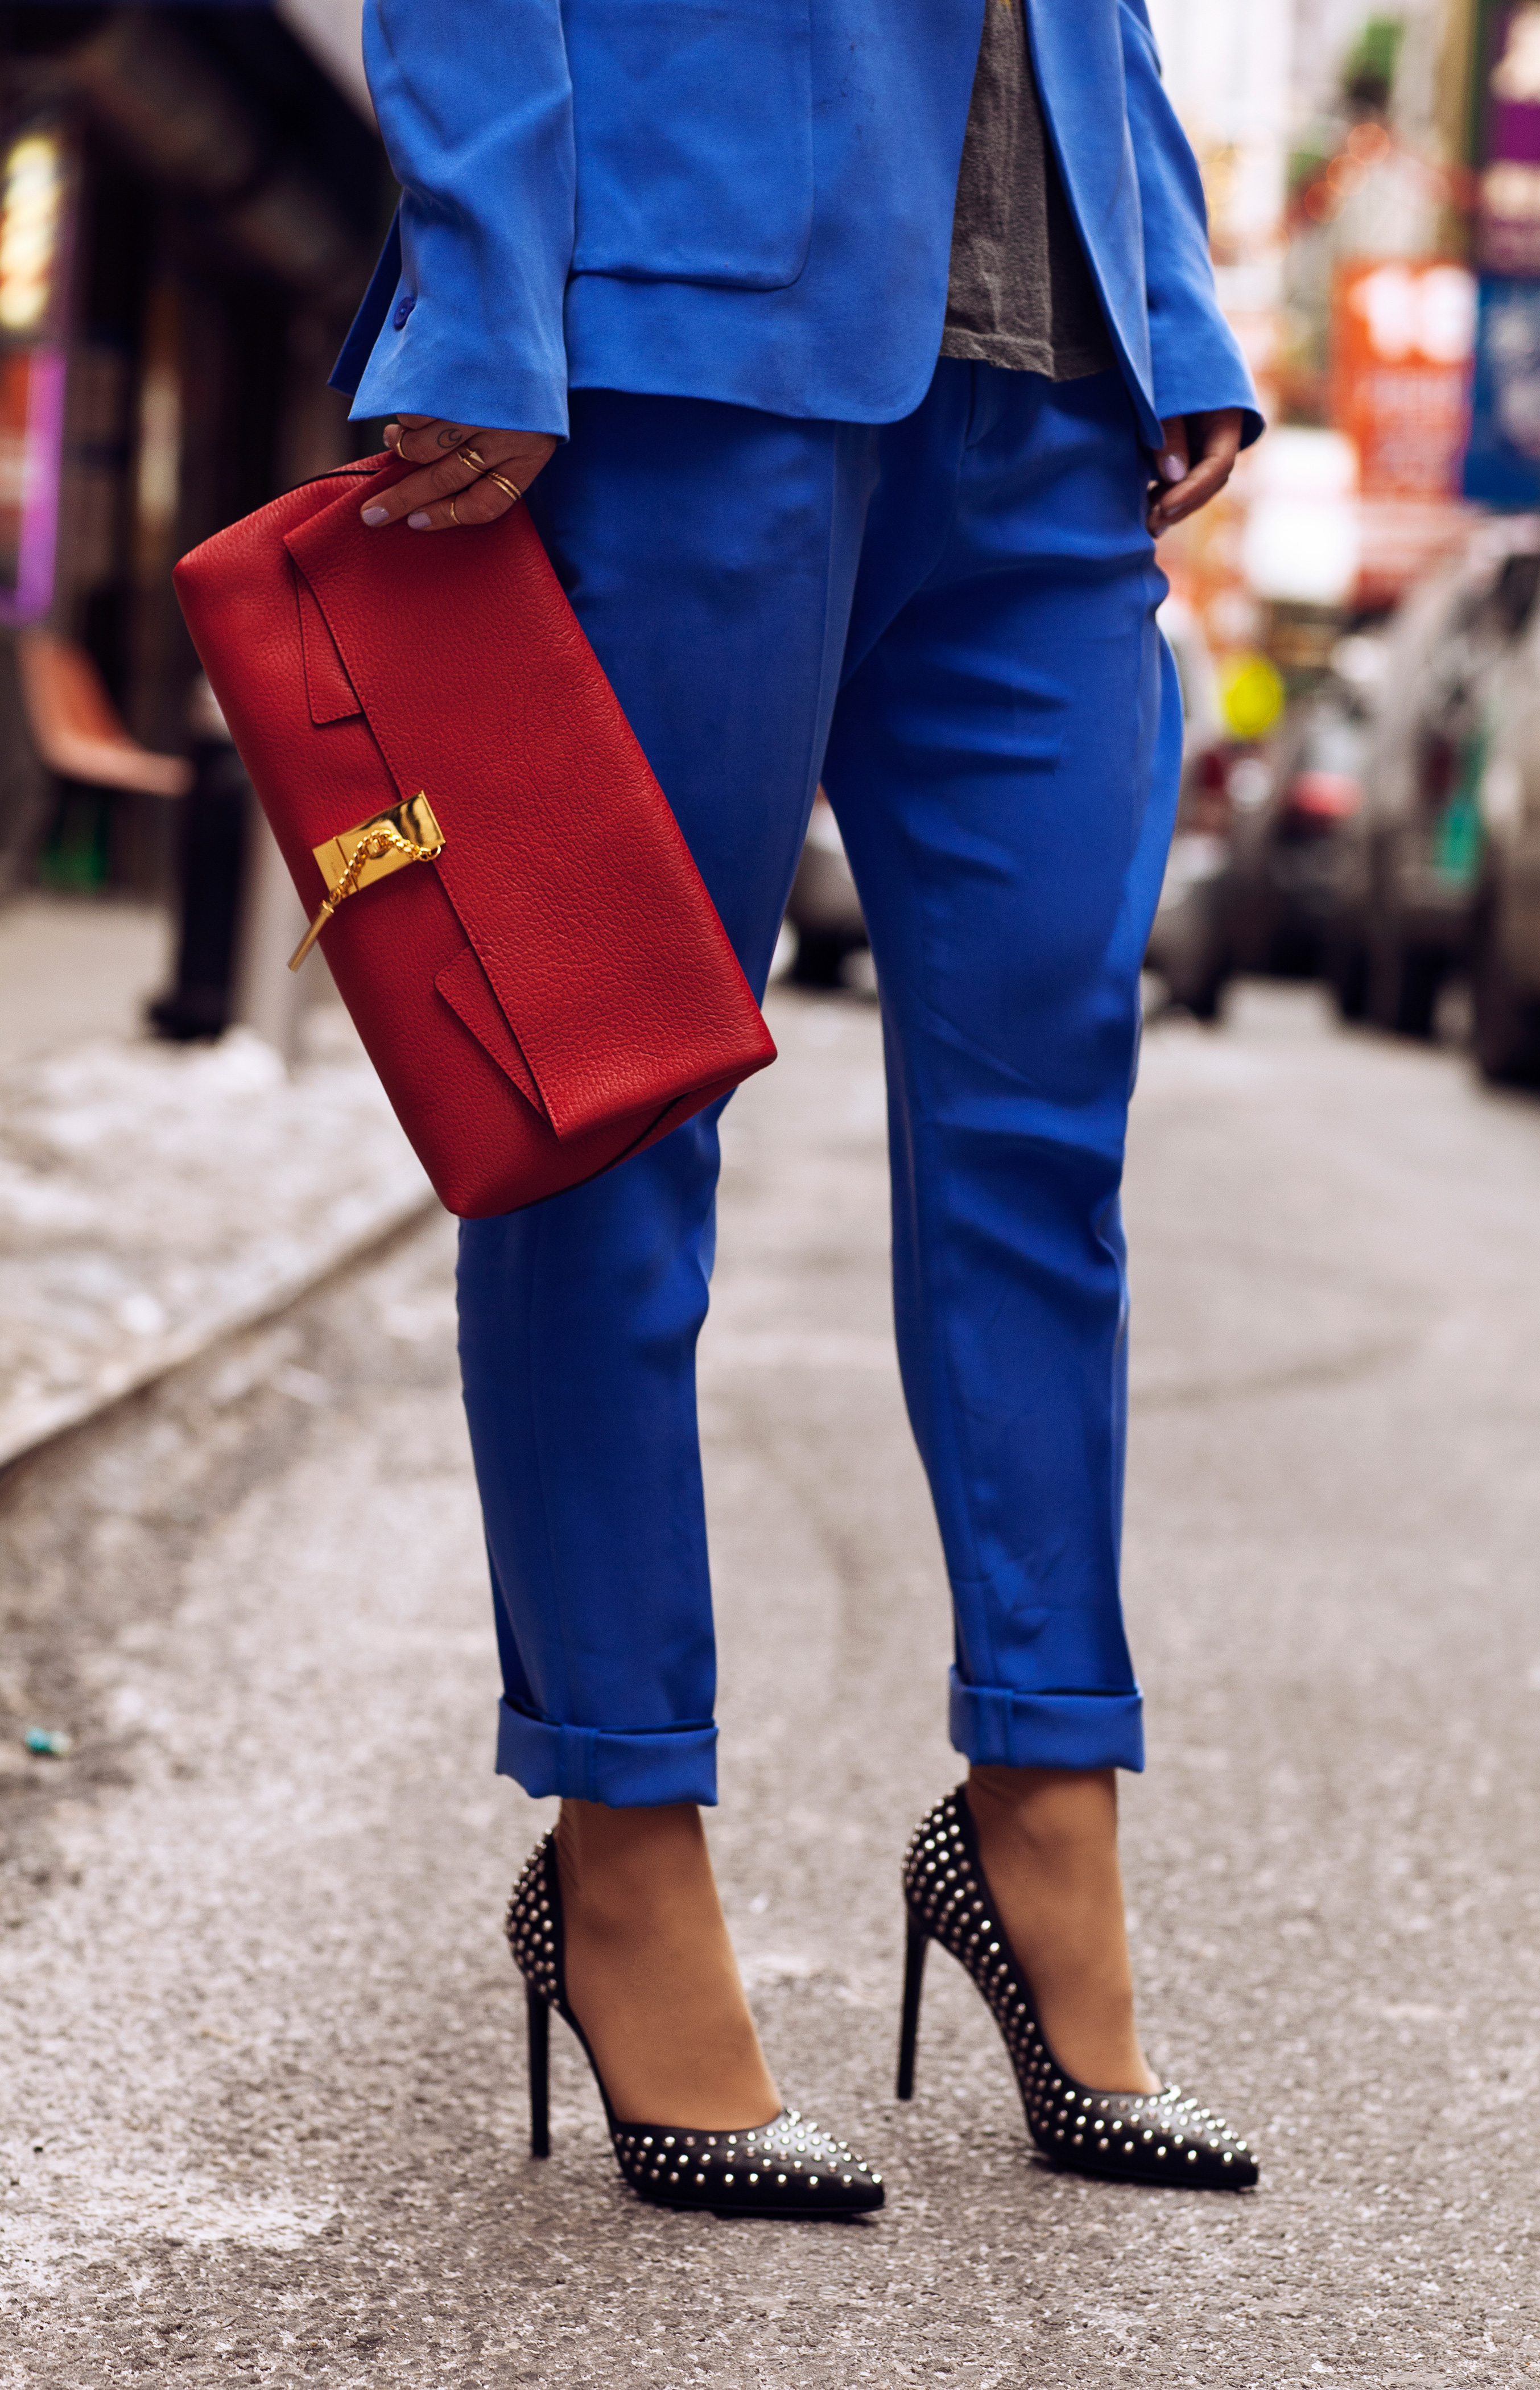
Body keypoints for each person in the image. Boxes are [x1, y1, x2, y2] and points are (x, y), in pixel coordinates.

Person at [335, 0, 1262, 2214]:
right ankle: (624, 1852)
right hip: (683, 315)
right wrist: (479, 265)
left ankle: (1044, 1823)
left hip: (1057, 380)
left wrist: (1175, 277)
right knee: (611, 1106)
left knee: (1049, 1147)